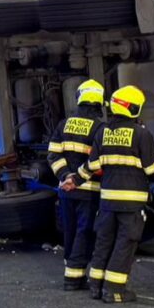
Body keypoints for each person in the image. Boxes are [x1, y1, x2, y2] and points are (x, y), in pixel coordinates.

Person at [83, 84, 154, 303]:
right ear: (133, 108)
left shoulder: (102, 132)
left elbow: (92, 165)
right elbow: (152, 169)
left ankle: (96, 285)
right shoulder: (141, 134)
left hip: (107, 201)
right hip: (131, 202)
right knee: (125, 243)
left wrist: (74, 179)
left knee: (104, 241)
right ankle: (114, 290)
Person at [50, 79, 105, 289]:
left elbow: (53, 155)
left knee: (70, 230)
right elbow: (98, 162)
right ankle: (74, 277)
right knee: (85, 231)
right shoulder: (100, 128)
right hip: (89, 190)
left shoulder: (64, 124)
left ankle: (71, 271)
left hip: (66, 190)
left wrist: (65, 176)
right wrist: (78, 178)